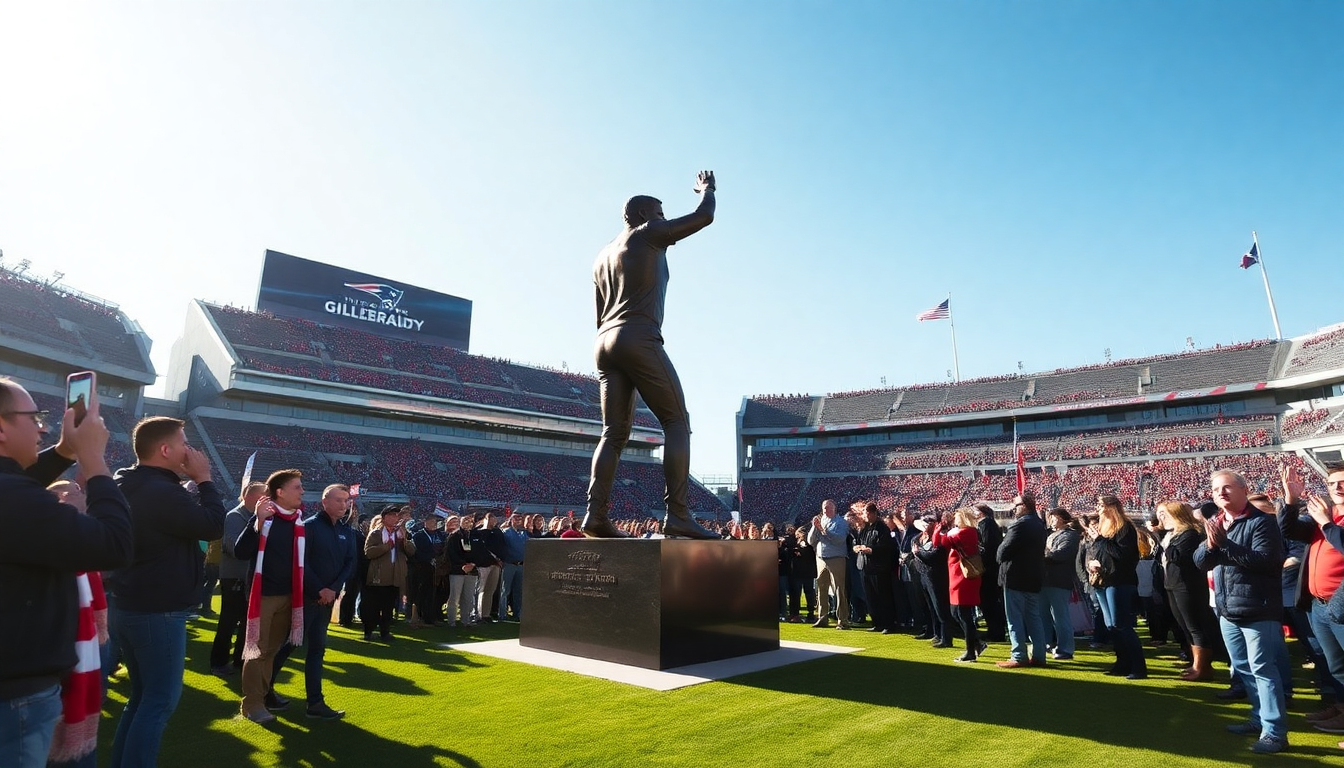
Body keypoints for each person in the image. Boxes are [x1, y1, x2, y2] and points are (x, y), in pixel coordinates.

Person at [0, 378, 132, 768]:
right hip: (15, 694)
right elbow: (114, 545)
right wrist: (93, 459)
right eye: (34, 417)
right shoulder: (15, 499)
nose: (42, 427)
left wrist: (62, 451)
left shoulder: (12, 491)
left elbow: (17, 484)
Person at [583, 170, 718, 540]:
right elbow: (703, 216)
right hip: (637, 335)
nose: (664, 219)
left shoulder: (602, 255)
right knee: (677, 421)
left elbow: (598, 314)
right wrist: (707, 189)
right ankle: (677, 514)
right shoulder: (646, 235)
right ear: (644, 215)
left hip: (604, 341)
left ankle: (595, 516)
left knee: (613, 434)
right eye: (659, 213)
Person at [109, 416, 226, 767]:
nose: (190, 450)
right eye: (183, 443)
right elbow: (212, 524)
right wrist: (204, 479)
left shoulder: (128, 482)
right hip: (157, 609)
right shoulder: (162, 490)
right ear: (165, 449)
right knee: (159, 701)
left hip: (129, 603)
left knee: (142, 698)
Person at [1194, 470, 1289, 754]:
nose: (1220, 493)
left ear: (1243, 490)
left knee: (1263, 669)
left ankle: (1275, 733)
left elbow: (1265, 561)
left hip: (1258, 608)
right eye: (1215, 489)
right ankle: (1258, 719)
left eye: (1227, 488)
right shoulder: (1217, 522)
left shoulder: (1263, 523)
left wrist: (1224, 544)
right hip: (1228, 609)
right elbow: (1200, 561)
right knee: (1244, 669)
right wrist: (1211, 545)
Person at [267, 483, 356, 720]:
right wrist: (319, 589)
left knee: (317, 650)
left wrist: (333, 589)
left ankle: (315, 703)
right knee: (290, 645)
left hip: (327, 602)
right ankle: (265, 690)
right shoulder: (309, 527)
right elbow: (300, 562)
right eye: (338, 500)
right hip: (306, 599)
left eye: (346, 501)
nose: (343, 505)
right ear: (324, 501)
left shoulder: (347, 531)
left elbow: (350, 563)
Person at [232, 469, 307, 724]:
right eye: (297, 487)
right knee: (256, 651)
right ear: (280, 492)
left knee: (272, 651)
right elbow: (240, 551)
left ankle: (262, 698)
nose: (302, 491)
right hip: (263, 596)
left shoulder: (297, 520)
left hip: (289, 596)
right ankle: (252, 703)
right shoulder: (264, 517)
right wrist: (256, 523)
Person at [1278, 462, 1344, 732]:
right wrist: (1291, 500)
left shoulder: (1326, 519)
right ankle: (1341, 712)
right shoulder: (1324, 515)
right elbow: (1287, 530)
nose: (1338, 488)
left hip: (1340, 606)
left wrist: (1327, 524)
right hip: (1319, 604)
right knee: (1336, 666)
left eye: (1343, 482)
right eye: (1333, 483)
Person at [1083, 495, 1146, 680]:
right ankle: (1122, 663)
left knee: (1122, 625)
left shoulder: (1124, 528)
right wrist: (1092, 564)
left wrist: (1101, 540)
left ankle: (1138, 666)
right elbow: (1099, 552)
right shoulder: (1104, 528)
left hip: (1120, 581)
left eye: (1101, 505)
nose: (1098, 508)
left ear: (1112, 507)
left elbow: (1123, 555)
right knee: (1112, 625)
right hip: (1103, 580)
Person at [1155, 500, 1218, 681]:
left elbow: (1178, 557)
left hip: (1187, 585)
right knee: (1184, 626)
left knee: (1194, 626)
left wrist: (1164, 542)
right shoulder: (1173, 534)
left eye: (1164, 513)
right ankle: (1194, 662)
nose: (1161, 518)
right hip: (1172, 584)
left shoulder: (1189, 534)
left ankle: (1203, 667)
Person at [210, 481, 266, 676]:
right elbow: (234, 547)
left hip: (246, 577)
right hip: (234, 576)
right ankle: (218, 662)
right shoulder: (235, 516)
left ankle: (239, 660)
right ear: (251, 497)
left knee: (246, 622)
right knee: (228, 621)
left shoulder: (252, 517)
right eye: (262, 496)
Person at [996, 493, 1048, 668]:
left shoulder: (1020, 525)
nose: (1013, 509)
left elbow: (1002, 553)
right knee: (1034, 618)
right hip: (1033, 577)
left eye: (1016, 505)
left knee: (1015, 618)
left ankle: (1019, 655)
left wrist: (1001, 549)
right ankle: (1039, 655)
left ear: (1025, 505)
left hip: (1016, 577)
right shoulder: (1039, 524)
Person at [931, 508, 984, 662]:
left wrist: (940, 529)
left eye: (957, 517)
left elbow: (941, 542)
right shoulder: (962, 532)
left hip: (964, 577)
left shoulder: (967, 532)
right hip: (958, 576)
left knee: (963, 614)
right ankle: (976, 644)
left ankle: (970, 652)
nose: (955, 520)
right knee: (957, 613)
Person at [363, 506, 415, 641]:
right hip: (379, 576)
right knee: (374, 607)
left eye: (397, 515)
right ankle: (369, 631)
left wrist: (403, 540)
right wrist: (387, 545)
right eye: (392, 515)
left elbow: (412, 551)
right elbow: (369, 552)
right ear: (384, 517)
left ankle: (385, 632)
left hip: (395, 576)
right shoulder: (376, 533)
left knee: (388, 607)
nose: (395, 518)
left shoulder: (400, 533)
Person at [1041, 509, 1081, 660]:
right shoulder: (1050, 535)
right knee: (1042, 615)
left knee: (1060, 616)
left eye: (1054, 517)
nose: (1051, 520)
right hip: (1044, 580)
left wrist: (1043, 554)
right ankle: (1045, 644)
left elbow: (1061, 554)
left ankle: (1065, 648)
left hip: (1059, 580)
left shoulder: (1070, 535)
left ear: (1063, 519)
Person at [807, 500, 850, 629]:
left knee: (839, 589)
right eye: (824, 508)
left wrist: (824, 530)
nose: (826, 510)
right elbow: (810, 540)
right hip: (821, 558)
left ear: (834, 508)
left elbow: (839, 539)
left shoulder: (841, 522)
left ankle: (842, 620)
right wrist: (815, 527)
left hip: (836, 558)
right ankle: (822, 618)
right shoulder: (820, 520)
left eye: (828, 507)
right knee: (821, 589)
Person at [853, 502, 896, 633]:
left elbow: (885, 547)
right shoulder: (865, 528)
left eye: (866, 512)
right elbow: (858, 541)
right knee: (870, 597)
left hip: (879, 568)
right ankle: (877, 622)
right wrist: (856, 547)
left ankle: (888, 624)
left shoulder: (882, 528)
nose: (864, 515)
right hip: (866, 567)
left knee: (883, 596)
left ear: (872, 513)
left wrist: (871, 550)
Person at [975, 503, 1007, 642]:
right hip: (990, 568)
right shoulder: (988, 524)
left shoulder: (986, 524)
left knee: (989, 601)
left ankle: (995, 631)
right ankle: (994, 629)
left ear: (981, 513)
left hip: (988, 569)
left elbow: (986, 546)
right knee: (989, 602)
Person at [497, 512, 529, 622]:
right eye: (515, 518)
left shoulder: (523, 533)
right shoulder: (506, 533)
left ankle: (517, 613)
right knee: (505, 590)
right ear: (511, 520)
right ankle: (502, 614)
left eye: (520, 519)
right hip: (510, 564)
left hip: (521, 565)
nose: (518, 520)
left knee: (518, 591)